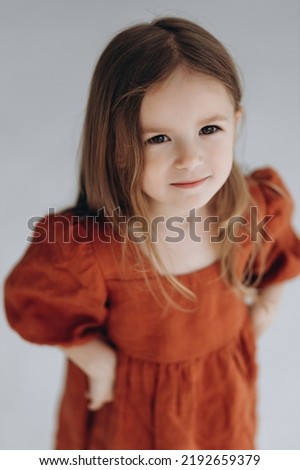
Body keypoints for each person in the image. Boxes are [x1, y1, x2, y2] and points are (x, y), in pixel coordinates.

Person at [4, 17, 300, 450]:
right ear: (118, 145)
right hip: (130, 416)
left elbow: (279, 256)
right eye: (159, 138)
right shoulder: (86, 249)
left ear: (235, 121)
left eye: (209, 129)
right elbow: (35, 303)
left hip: (220, 399)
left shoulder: (252, 208)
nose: (190, 158)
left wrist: (267, 306)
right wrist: (98, 362)